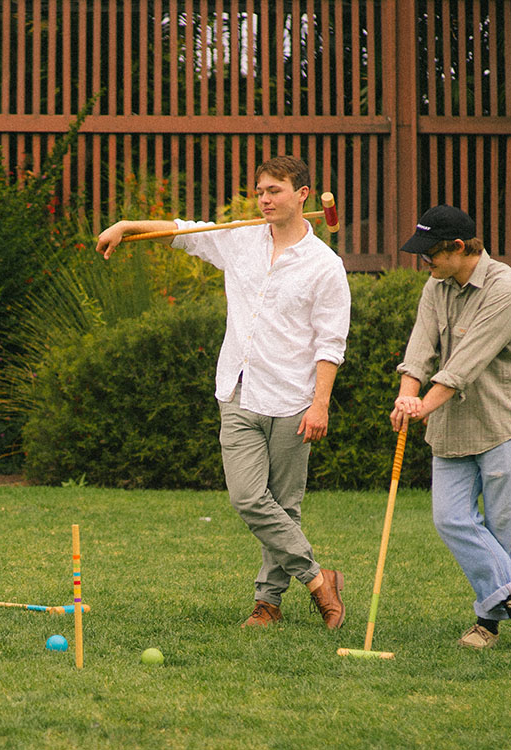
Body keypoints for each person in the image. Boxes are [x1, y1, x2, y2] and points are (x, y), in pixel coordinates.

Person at [95, 156, 351, 629]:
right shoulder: (239, 238)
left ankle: (268, 603)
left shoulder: (324, 267)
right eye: (260, 191)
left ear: (304, 195)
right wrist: (126, 226)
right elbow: (180, 229)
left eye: (275, 190)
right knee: (249, 497)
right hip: (236, 390)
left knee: (285, 505)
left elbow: (330, 342)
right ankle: (319, 580)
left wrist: (320, 404)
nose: (265, 199)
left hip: (293, 399)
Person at [390, 204, 511, 649]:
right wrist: (406, 392)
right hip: (453, 427)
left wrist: (420, 407)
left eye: (431, 254)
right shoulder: (436, 286)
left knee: (501, 530)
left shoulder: (507, 290)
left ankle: (488, 627)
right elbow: (419, 351)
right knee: (451, 518)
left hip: (506, 424)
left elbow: (463, 366)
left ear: (459, 248)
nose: (426, 263)